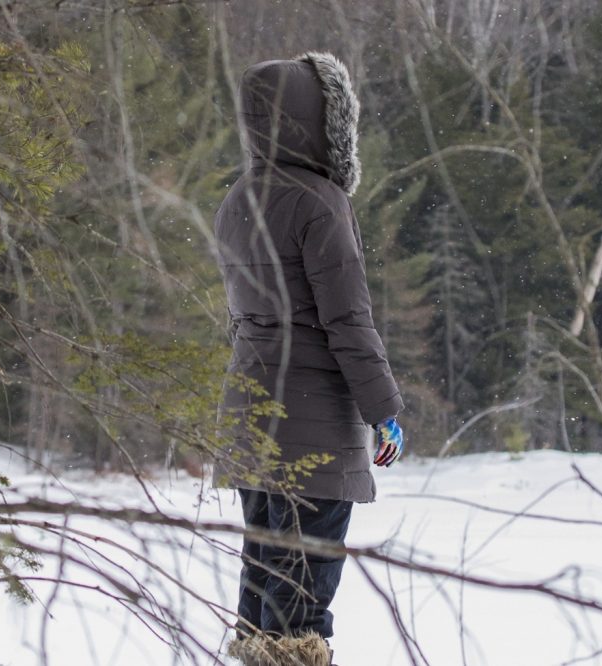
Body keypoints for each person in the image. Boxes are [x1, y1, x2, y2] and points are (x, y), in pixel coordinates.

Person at [212, 51, 405, 666]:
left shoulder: (237, 198)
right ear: (325, 122)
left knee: (263, 581)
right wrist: (385, 410)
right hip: (313, 424)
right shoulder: (320, 202)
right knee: (300, 599)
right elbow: (347, 321)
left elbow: (245, 318)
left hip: (249, 416)